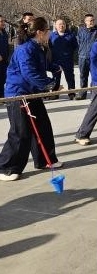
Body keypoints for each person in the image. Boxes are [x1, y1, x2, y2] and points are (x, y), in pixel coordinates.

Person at [0, 17, 62, 181]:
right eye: (47, 30)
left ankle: (45, 160)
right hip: (18, 94)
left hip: (32, 93)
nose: (49, 34)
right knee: (21, 132)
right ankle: (6, 167)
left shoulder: (39, 48)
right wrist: (51, 84)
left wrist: (55, 68)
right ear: (40, 32)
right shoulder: (25, 49)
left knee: (43, 126)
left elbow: (42, 66)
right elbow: (29, 73)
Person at [49, 17, 78, 100]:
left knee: (70, 77)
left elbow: (75, 47)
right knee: (55, 78)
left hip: (68, 60)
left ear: (65, 25)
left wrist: (70, 55)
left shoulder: (71, 35)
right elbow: (49, 47)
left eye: (63, 24)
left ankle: (71, 93)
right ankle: (55, 93)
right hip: (56, 61)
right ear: (55, 26)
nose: (61, 26)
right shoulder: (52, 36)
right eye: (59, 24)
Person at [75, 13, 97, 99]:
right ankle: (82, 94)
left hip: (94, 58)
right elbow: (78, 42)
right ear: (85, 21)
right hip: (82, 57)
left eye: (93, 20)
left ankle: (93, 94)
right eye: (90, 20)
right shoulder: (81, 30)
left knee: (94, 76)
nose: (92, 22)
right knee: (83, 76)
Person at [0, 14, 10, 99]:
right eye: (1, 21)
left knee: (3, 79)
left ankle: (2, 97)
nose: (3, 23)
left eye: (4, 21)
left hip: (4, 61)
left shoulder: (4, 33)